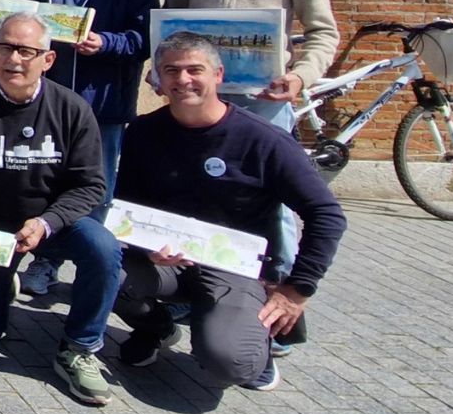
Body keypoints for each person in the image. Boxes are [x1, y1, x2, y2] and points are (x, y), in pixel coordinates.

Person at [163, 0, 340, 349]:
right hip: (197, 103)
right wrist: (164, 70)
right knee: (194, 195)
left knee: (276, 210)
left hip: (263, 101)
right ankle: (198, 293)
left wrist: (301, 76)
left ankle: (280, 307)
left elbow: (324, 31)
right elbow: (171, 24)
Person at [113, 35, 346, 392]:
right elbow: (127, 205)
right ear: (159, 79)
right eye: (171, 71)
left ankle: (253, 343)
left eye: (195, 70)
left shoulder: (263, 140)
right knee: (103, 270)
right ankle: (157, 329)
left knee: (230, 363)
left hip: (233, 267)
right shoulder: (143, 132)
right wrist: (144, 248)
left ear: (218, 74)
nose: (183, 79)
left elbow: (326, 214)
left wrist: (297, 290)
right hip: (166, 263)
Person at [0, 12, 124, 407]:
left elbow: (91, 186)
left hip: (54, 222)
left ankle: (80, 346)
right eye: (4, 48)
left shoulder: (72, 109)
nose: (14, 59)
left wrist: (47, 223)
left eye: (26, 50)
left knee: (104, 249)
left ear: (47, 60)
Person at [15, 0, 159, 297]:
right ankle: (47, 260)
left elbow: (145, 39)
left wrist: (106, 43)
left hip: (104, 104)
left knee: (97, 189)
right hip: (48, 101)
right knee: (46, 184)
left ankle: (94, 271)